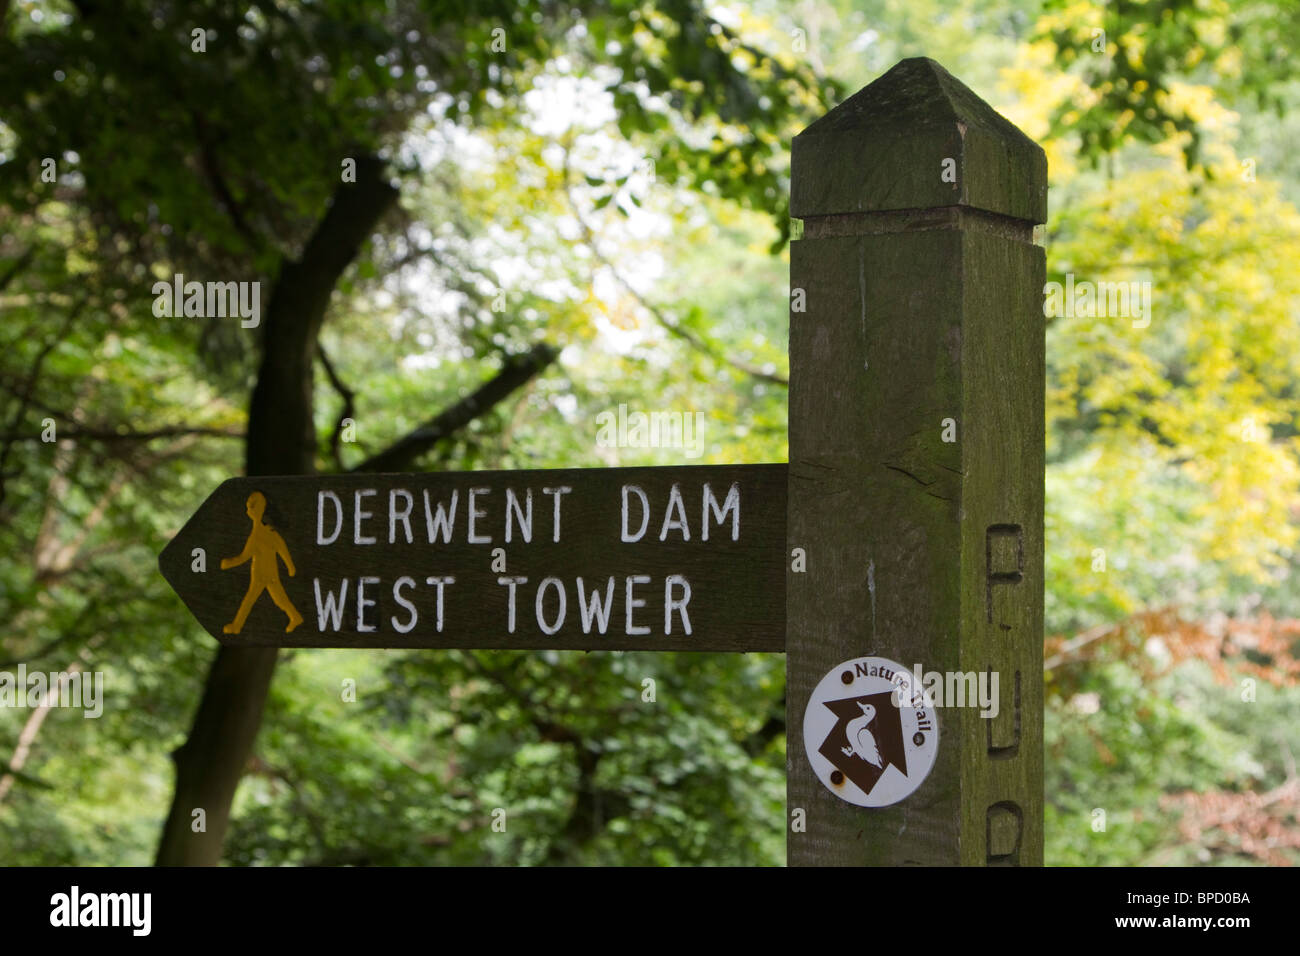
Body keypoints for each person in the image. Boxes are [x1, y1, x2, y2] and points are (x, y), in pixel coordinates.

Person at [221, 491, 304, 634]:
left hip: (263, 574)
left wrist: (227, 563)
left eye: (251, 507)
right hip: (264, 573)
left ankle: (236, 626)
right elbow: (279, 548)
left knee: (251, 600)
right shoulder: (261, 532)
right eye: (248, 507)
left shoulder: (263, 533)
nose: (248, 511)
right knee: (279, 599)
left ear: (260, 508)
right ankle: (295, 617)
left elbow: (246, 556)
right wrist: (290, 566)